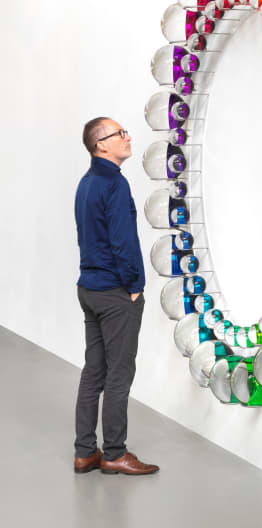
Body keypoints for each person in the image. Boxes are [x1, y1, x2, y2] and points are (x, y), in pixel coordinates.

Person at [73, 116, 159, 476]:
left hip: (89, 288)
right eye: (118, 133)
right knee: (119, 375)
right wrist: (135, 285)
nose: (127, 137)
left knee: (94, 371)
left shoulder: (87, 182)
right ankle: (114, 454)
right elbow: (123, 244)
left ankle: (84, 453)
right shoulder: (115, 185)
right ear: (101, 145)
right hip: (114, 293)